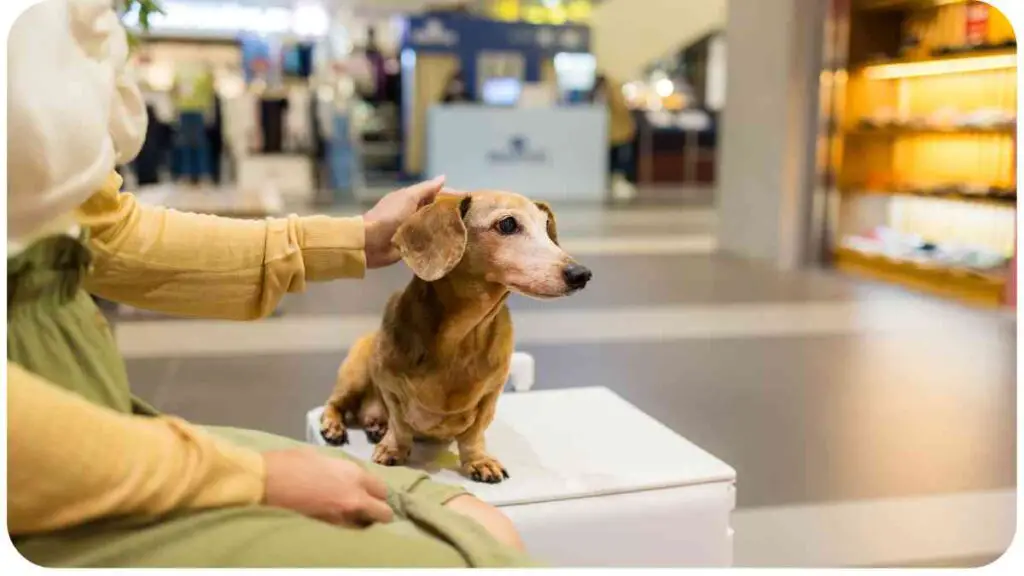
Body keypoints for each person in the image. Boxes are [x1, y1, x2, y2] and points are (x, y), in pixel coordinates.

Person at [6, 0, 532, 567]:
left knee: (485, 522)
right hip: (38, 458)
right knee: (473, 557)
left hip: (80, 408)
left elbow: (105, 232)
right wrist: (246, 476)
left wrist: (357, 239)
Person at [589, 73, 638, 202]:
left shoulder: (613, 90)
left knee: (620, 163)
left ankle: (619, 186)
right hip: (616, 134)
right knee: (617, 162)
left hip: (619, 134)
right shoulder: (609, 91)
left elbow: (620, 108)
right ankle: (616, 185)